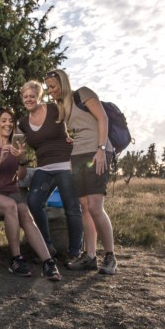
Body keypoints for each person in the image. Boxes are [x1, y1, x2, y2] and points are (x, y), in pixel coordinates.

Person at [0, 107, 62, 281]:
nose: (8, 124)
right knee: (10, 206)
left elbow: (20, 177)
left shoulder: (18, 146)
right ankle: (16, 259)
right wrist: (0, 160)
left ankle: (48, 262)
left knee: (25, 214)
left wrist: (22, 160)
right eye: (4, 120)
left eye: (11, 121)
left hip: (10, 190)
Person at [43, 69, 117, 275]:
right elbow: (73, 129)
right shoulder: (62, 107)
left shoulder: (83, 93)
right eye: (48, 88)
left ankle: (110, 256)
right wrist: (69, 138)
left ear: (64, 82)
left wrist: (101, 149)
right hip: (77, 156)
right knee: (84, 206)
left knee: (95, 206)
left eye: (53, 86)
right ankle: (90, 256)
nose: (50, 91)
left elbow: (102, 119)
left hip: (97, 152)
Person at [17, 80, 83, 262]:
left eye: (32, 96)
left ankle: (75, 253)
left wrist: (77, 139)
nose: (29, 99)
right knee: (34, 201)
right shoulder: (23, 123)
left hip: (65, 166)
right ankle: (47, 247)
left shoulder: (55, 109)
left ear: (39, 97)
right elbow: (10, 139)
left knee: (72, 208)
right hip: (44, 168)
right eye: (25, 97)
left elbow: (77, 118)